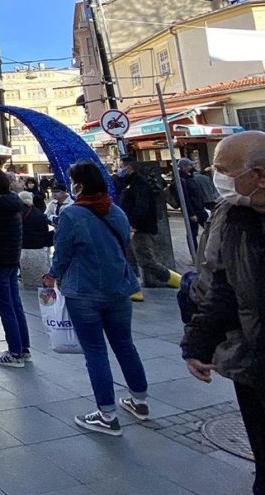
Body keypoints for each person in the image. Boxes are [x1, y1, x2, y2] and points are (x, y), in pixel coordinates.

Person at [181, 131, 265, 495]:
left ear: (260, 175)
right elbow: (222, 286)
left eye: (224, 171)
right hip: (253, 360)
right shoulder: (233, 216)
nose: (218, 179)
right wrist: (198, 343)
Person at [44, 160, 148, 437]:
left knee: (96, 352)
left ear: (79, 184)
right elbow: (124, 240)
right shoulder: (115, 211)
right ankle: (139, 400)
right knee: (125, 345)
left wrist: (52, 275)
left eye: (71, 180)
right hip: (119, 288)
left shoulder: (71, 215)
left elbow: (62, 253)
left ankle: (107, 415)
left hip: (84, 292)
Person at [0, 169, 30, 367]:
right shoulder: (14, 204)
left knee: (5, 307)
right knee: (15, 305)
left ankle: (15, 352)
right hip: (11, 259)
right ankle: (23, 347)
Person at [118, 160, 181, 302]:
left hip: (140, 229)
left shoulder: (139, 185)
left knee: (145, 260)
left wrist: (134, 225)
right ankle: (134, 289)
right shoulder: (129, 184)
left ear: (129, 168)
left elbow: (142, 207)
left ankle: (177, 280)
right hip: (130, 228)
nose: (119, 169)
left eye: (121, 167)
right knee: (129, 260)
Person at [18, 191, 52, 290]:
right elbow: (44, 229)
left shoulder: (18, 212)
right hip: (38, 245)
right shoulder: (38, 212)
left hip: (23, 245)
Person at [177, 159, 209, 248]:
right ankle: (195, 253)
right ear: (184, 167)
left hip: (199, 208)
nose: (191, 167)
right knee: (193, 233)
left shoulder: (190, 176)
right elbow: (185, 199)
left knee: (209, 228)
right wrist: (191, 214)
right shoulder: (182, 180)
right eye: (189, 165)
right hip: (193, 210)